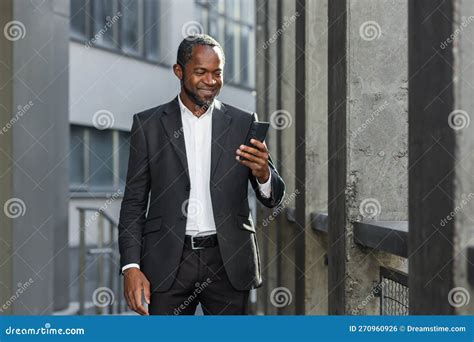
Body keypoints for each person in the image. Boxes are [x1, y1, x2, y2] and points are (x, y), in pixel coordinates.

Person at [118, 34, 285, 315]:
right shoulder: (148, 125)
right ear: (179, 72)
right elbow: (134, 203)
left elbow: (273, 199)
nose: (211, 80)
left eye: (217, 73)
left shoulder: (244, 123)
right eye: (201, 72)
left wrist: (263, 173)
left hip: (228, 261)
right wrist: (130, 267)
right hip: (167, 262)